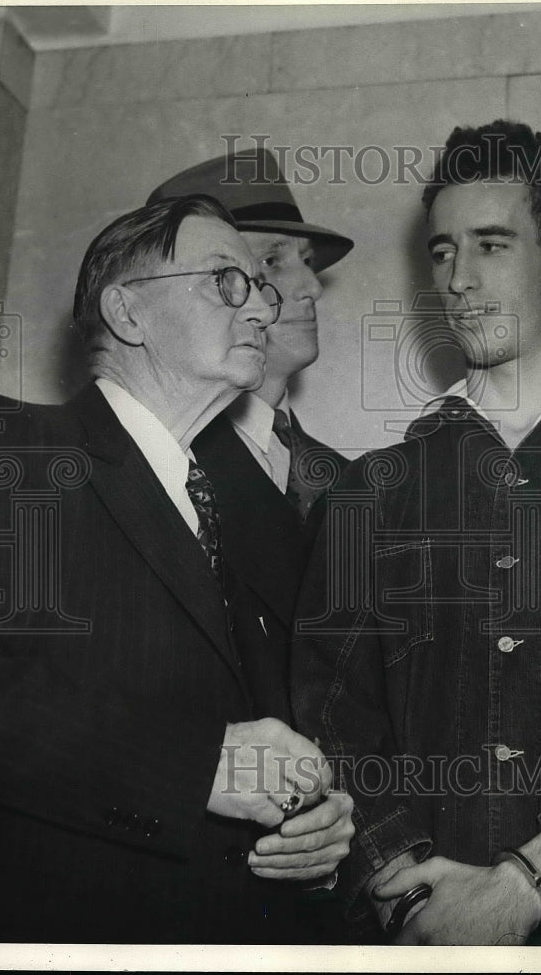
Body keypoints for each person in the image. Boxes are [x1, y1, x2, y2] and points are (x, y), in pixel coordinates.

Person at [291, 121, 541, 946]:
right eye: (441, 252)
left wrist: (528, 882)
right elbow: (331, 721)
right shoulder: (367, 490)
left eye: (490, 245)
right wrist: (402, 887)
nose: (459, 280)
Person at [0, 195, 353, 945]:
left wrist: (314, 822)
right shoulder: (15, 448)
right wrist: (192, 768)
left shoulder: (238, 508)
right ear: (127, 314)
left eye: (260, 287)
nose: (261, 312)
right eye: (224, 280)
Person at [147, 149, 353, 724]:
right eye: (274, 259)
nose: (312, 284)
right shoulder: (156, 457)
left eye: (306, 261)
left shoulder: (348, 479)